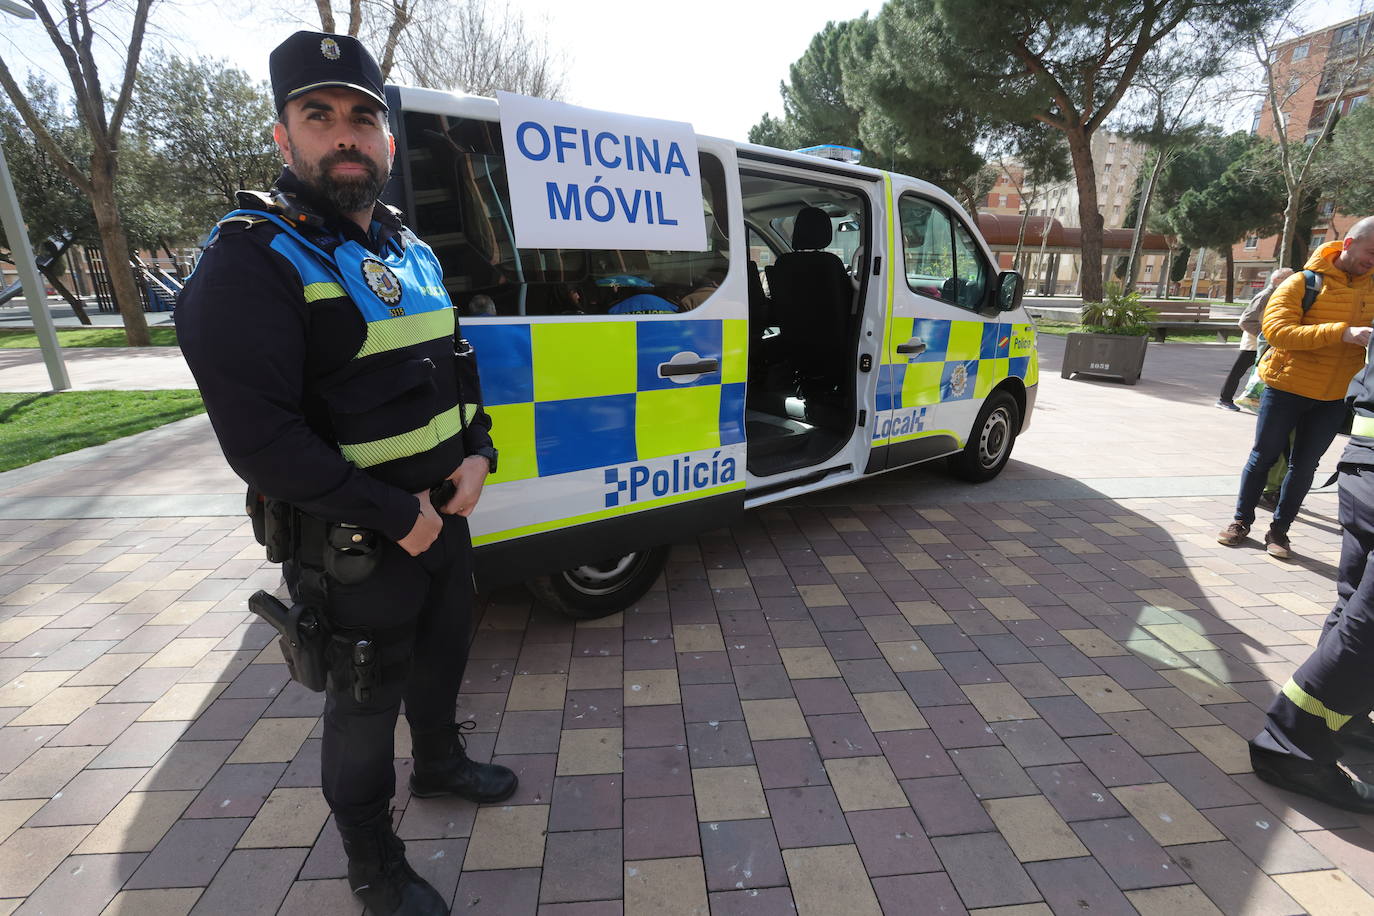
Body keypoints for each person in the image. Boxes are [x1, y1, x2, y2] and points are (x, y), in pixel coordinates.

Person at [175, 32, 515, 915]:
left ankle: (438, 764)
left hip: (444, 520)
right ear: (284, 138)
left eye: (363, 116)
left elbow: (455, 364)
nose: (345, 134)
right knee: (364, 709)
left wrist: (480, 454)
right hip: (355, 544)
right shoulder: (251, 260)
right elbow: (262, 443)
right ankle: (373, 863)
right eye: (318, 116)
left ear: (388, 140)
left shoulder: (410, 246)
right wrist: (397, 516)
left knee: (444, 659)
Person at [1249, 334, 1374, 812]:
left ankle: (1345, 716)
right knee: (1367, 621)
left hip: (1365, 455)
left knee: (1358, 604)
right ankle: (1291, 746)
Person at [1217, 220, 1374, 559]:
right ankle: (1241, 521)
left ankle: (1280, 531)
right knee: (1263, 457)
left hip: (1333, 397)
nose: (1373, 261)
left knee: (1304, 467)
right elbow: (1276, 332)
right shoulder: (1302, 282)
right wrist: (1341, 332)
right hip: (1286, 387)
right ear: (1348, 244)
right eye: (1370, 252)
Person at [1217, 267, 1292, 411]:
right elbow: (1245, 321)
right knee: (1238, 371)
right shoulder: (1265, 296)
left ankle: (1256, 402)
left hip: (1266, 342)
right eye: (1288, 279)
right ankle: (1224, 400)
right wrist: (1264, 335)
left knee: (1264, 373)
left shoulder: (1279, 296)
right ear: (1277, 280)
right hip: (1253, 343)